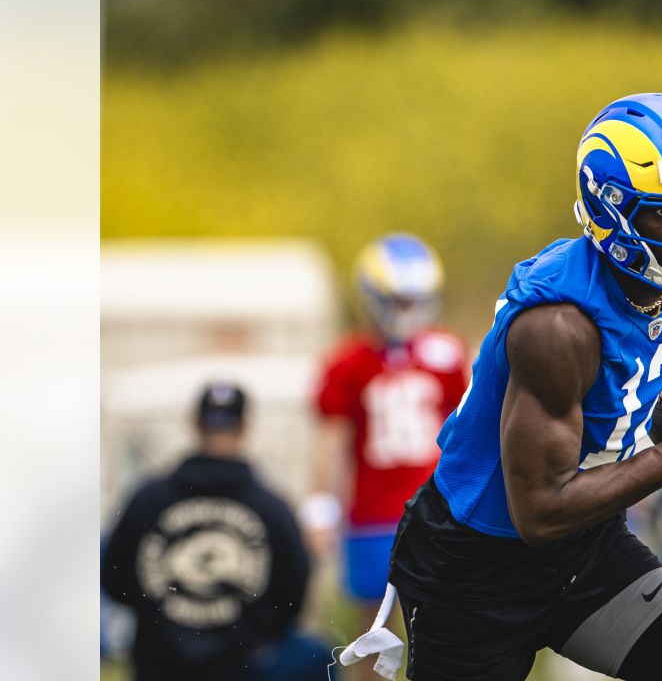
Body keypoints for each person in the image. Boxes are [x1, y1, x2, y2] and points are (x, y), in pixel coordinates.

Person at [374, 93, 662, 681]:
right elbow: (540, 512)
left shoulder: (649, 277)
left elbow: (651, 342)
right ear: (613, 211)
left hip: (587, 549)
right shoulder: (557, 327)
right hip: (476, 572)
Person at [305, 232, 469, 673]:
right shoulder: (349, 361)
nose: (405, 311)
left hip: (438, 511)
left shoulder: (448, 352)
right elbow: (333, 441)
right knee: (371, 630)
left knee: (447, 625)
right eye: (397, 300)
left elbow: (467, 431)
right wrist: (321, 505)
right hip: (373, 515)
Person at [101, 382, 312, 681]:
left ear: (195, 424)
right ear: (245, 427)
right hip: (243, 667)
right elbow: (294, 594)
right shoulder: (271, 507)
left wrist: (161, 620)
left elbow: (113, 579)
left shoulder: (148, 499)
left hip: (158, 665)